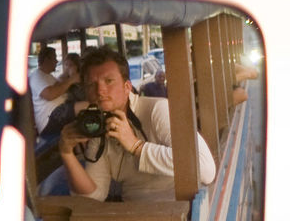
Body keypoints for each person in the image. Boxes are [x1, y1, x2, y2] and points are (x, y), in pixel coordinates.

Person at [58, 47, 216, 202]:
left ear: (127, 87)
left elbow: (206, 169)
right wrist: (67, 154)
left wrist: (136, 147)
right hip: (135, 216)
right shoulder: (99, 129)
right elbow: (93, 196)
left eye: (109, 81)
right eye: (92, 84)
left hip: (179, 212)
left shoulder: (157, 109)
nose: (100, 90)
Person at [28, 46, 79, 136]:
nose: (56, 61)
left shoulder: (48, 76)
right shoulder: (37, 76)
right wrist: (72, 80)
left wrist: (69, 74)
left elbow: (60, 86)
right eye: (55, 58)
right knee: (86, 106)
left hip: (58, 113)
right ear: (47, 59)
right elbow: (50, 95)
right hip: (50, 118)